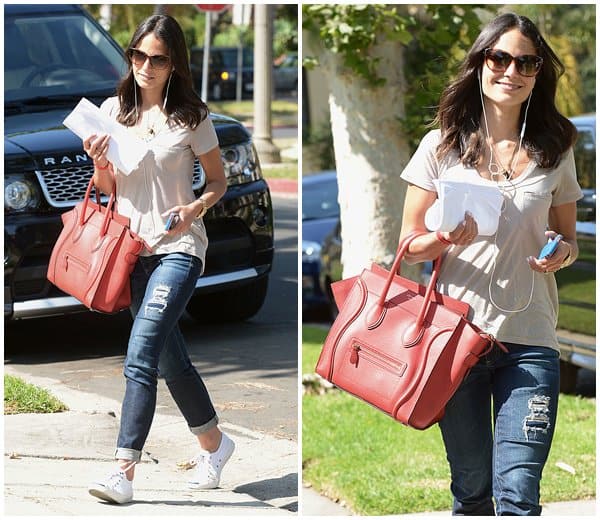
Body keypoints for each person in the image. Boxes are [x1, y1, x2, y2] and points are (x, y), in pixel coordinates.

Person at [399, 13, 582, 515]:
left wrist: (560, 252)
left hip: (532, 339)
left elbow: (567, 239)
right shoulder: (440, 147)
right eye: (500, 58)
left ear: (538, 72)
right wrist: (440, 238)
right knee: (473, 491)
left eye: (527, 61)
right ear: (480, 64)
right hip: (455, 340)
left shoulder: (557, 147)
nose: (513, 70)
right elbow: (407, 244)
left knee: (519, 495)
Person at [84, 15, 233, 504]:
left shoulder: (193, 117)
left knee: (141, 353)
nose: (146, 66)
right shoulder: (112, 111)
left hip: (179, 249)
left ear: (175, 65)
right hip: (130, 250)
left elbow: (217, 182)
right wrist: (99, 160)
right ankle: (214, 444)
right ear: (130, 57)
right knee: (171, 359)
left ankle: (123, 470)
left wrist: (192, 208)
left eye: (159, 59)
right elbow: (107, 189)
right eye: (139, 56)